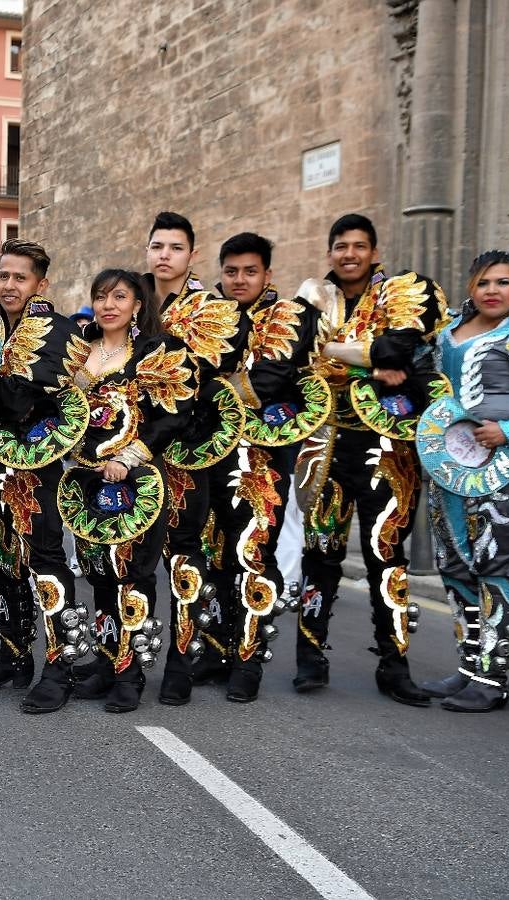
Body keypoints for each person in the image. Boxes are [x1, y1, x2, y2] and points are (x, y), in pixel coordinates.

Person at [293, 213, 448, 705]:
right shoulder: (312, 297)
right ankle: (310, 657)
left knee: (387, 556)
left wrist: (341, 351)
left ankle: (393, 663)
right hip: (326, 443)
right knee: (320, 554)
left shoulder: (402, 291)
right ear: (330, 253)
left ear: (374, 252)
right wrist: (374, 361)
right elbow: (299, 354)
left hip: (387, 446)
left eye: (360, 246)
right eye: (341, 246)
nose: (350, 254)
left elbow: (401, 347)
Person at [193, 232, 322, 703]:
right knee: (214, 552)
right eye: (231, 271)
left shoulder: (290, 314)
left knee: (252, 553)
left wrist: (214, 387)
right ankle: (214, 648)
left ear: (267, 274)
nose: (240, 280)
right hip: (212, 453)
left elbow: (267, 381)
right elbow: (189, 374)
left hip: (263, 458)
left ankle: (248, 659)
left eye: (250, 271)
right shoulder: (209, 316)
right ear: (220, 273)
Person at [65, 269, 196, 712]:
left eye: (119, 296)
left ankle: (131, 672)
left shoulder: (156, 353)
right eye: (101, 296)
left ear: (138, 304)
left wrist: (129, 458)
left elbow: (173, 416)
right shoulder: (78, 351)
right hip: (86, 479)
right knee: (98, 571)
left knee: (134, 574)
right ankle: (105, 661)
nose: (109, 305)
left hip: (136, 478)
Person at [0, 239, 92, 711]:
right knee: (1, 558)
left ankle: (59, 665)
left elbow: (17, 401)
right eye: (3, 276)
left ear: (41, 284)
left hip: (38, 466)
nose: (9, 285)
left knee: (45, 559)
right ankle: (15, 655)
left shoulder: (56, 330)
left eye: (20, 278)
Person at [419, 250, 509, 712]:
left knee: (494, 565)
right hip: (449, 467)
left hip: (505, 469)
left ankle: (493, 676)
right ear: (471, 286)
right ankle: (470, 668)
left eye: (504, 282)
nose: (493, 290)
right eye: (485, 282)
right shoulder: (446, 332)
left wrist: (508, 430)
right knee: (455, 565)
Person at [142, 211, 245, 705]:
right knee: (126, 559)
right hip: (132, 448)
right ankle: (123, 660)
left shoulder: (212, 309)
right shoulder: (130, 296)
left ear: (191, 255)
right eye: (157, 245)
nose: (165, 255)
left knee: (185, 553)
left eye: (175, 247)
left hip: (186, 448)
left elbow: (213, 364)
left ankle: (182, 662)